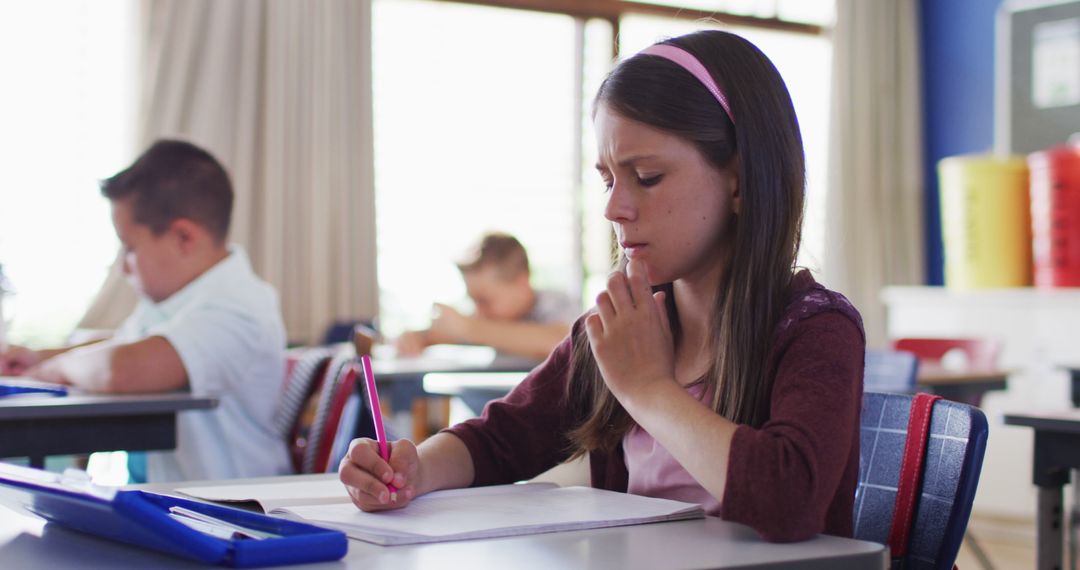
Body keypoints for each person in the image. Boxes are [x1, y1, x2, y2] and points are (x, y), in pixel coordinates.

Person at [339, 30, 864, 542]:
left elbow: (791, 500)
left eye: (648, 177)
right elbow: (504, 439)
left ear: (740, 179)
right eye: (609, 179)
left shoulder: (816, 327)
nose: (614, 209)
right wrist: (413, 470)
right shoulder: (624, 323)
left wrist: (649, 390)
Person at [0, 140, 291, 483]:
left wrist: (56, 368)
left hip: (235, 510)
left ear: (183, 238)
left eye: (130, 248)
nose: (123, 267)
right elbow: (123, 344)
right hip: (170, 500)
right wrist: (39, 357)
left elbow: (122, 368)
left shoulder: (240, 307)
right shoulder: (174, 303)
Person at [395, 232, 578, 361]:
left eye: (485, 300)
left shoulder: (555, 303)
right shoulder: (485, 319)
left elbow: (562, 341)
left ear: (522, 284)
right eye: (474, 301)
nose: (478, 311)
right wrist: (417, 337)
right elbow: (445, 334)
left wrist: (467, 328)